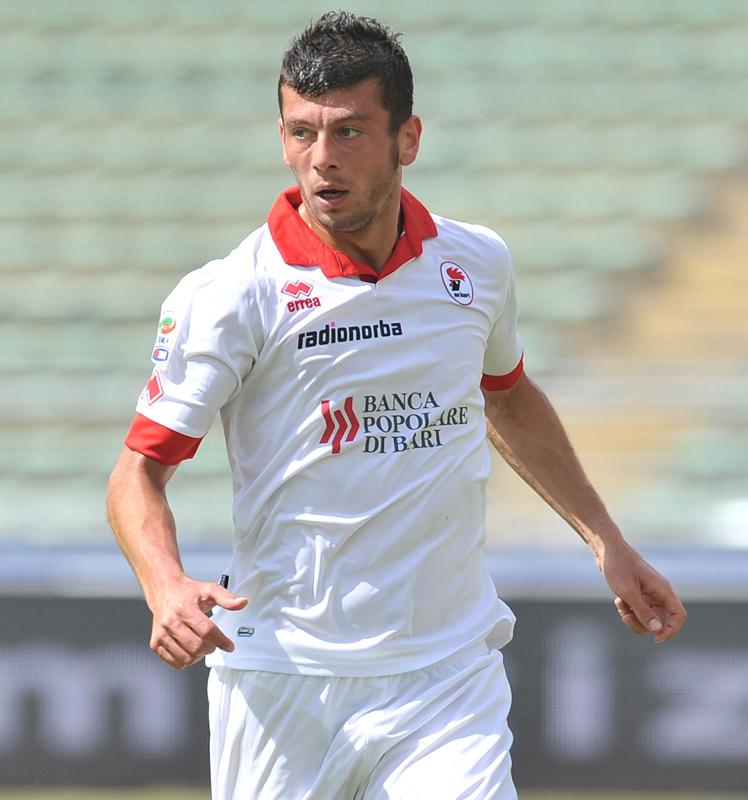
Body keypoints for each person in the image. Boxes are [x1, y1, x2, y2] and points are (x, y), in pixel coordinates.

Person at [107, 11, 686, 799]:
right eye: (302, 133)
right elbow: (137, 474)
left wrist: (604, 539)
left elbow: (508, 397)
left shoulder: (475, 264)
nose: (321, 159)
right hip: (286, 678)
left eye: (348, 132)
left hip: (447, 673)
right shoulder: (233, 295)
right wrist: (166, 585)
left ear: (408, 139)